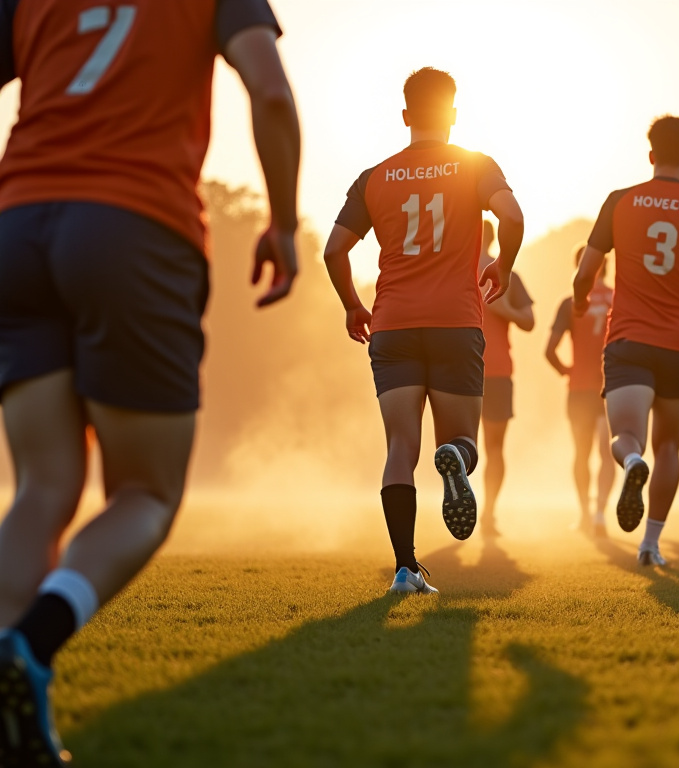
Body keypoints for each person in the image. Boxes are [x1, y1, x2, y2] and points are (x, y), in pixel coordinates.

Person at [0, 0, 300, 762]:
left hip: (19, 225)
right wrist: (285, 223)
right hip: (132, 224)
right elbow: (267, 89)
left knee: (42, 487)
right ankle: (30, 643)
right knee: (147, 493)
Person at [322, 68, 524, 594]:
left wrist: (351, 305)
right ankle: (455, 457)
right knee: (462, 441)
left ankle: (406, 569)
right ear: (453, 115)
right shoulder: (476, 166)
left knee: (400, 447)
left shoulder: (375, 176)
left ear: (407, 116)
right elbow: (513, 216)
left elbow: (334, 250)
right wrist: (502, 263)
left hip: (393, 324)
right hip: (456, 322)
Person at [573, 115, 679, 566]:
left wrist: (579, 297)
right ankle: (651, 544)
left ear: (650, 155)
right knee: (669, 448)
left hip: (628, 338)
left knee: (626, 436)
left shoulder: (619, 202)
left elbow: (585, 270)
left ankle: (629, 464)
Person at [546, 246, 616, 536]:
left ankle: (585, 515)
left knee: (582, 453)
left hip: (579, 389)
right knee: (607, 452)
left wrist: (566, 371)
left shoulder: (569, 303)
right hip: (612, 386)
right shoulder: (618, 298)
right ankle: (600, 513)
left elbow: (549, 351)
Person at [478, 220, 535, 537]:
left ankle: (485, 513)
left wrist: (502, 309)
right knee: (489, 448)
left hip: (486, 370)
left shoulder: (508, 276)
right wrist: (508, 311)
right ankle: (484, 513)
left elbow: (528, 321)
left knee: (468, 445)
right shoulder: (452, 270)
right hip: (485, 372)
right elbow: (528, 320)